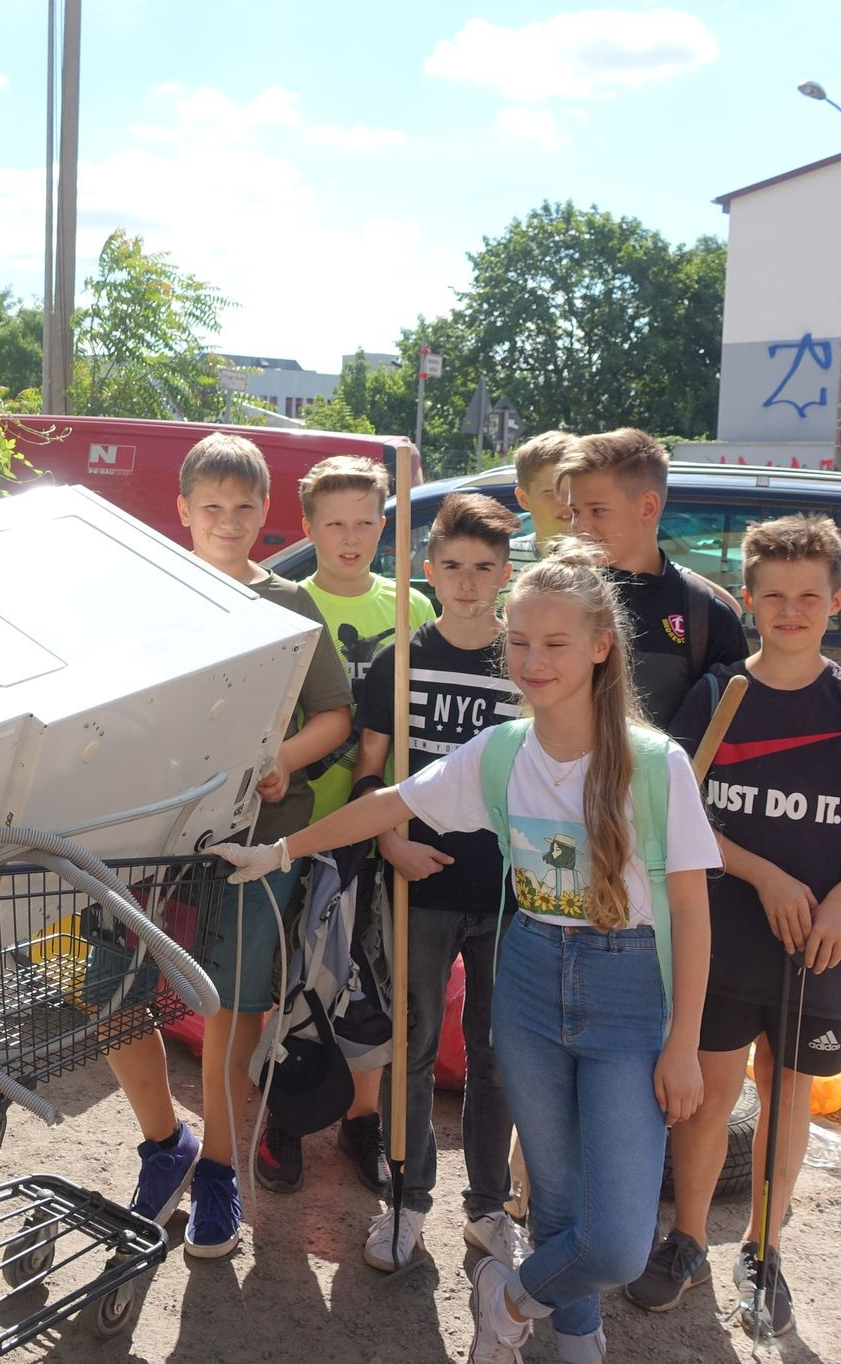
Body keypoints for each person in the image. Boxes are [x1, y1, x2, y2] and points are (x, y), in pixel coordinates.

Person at [214, 539, 717, 1364]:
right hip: (529, 981)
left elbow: (693, 911)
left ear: (601, 646)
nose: (533, 660)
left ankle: (507, 1297)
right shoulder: (503, 752)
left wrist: (685, 1043)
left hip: (631, 995)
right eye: (519, 642)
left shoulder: (656, 766)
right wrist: (278, 852)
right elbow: (387, 806)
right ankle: (576, 1339)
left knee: (620, 1244)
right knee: (556, 1199)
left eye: (555, 643)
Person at [627, 514, 841, 1337]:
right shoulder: (719, 696)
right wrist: (765, 874)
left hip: (819, 945)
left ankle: (764, 1249)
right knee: (709, 1095)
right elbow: (673, 818)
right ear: (748, 600)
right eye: (775, 596)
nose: (791, 611)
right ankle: (687, 1240)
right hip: (722, 939)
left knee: (787, 1095)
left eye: (809, 597)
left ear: (836, 603)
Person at [104, 432, 351, 1261]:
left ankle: (217, 1167)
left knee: (231, 1006)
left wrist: (283, 760)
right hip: (146, 835)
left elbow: (335, 716)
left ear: (265, 513)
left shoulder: (289, 603)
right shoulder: (150, 594)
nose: (228, 520)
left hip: (256, 841)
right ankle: (162, 1144)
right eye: (212, 506)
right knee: (109, 991)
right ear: (182, 509)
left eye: (244, 507)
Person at [349, 492, 526, 1273]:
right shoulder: (401, 659)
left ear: (505, 573)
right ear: (428, 569)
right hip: (417, 883)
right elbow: (370, 770)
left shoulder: (526, 660)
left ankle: (488, 1208)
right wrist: (389, 840)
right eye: (452, 566)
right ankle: (404, 1199)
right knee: (412, 1043)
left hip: (507, 892)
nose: (467, 581)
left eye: (483, 567)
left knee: (496, 1053)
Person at [257, 455, 435, 1197]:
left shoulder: (412, 606)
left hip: (380, 827)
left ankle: (363, 1116)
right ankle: (286, 1111)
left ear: (385, 524)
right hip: (300, 822)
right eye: (335, 524)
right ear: (308, 528)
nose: (352, 537)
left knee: (372, 978)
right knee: (287, 972)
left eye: (366, 522)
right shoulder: (283, 604)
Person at [557, 428, 748, 725]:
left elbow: (733, 729)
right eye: (574, 511)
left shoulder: (705, 614)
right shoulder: (558, 599)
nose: (580, 526)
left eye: (597, 510)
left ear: (648, 507)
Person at [508, 430, 577, 570]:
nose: (566, 500)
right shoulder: (500, 561)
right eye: (551, 491)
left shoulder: (611, 560)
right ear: (523, 499)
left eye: (574, 489)